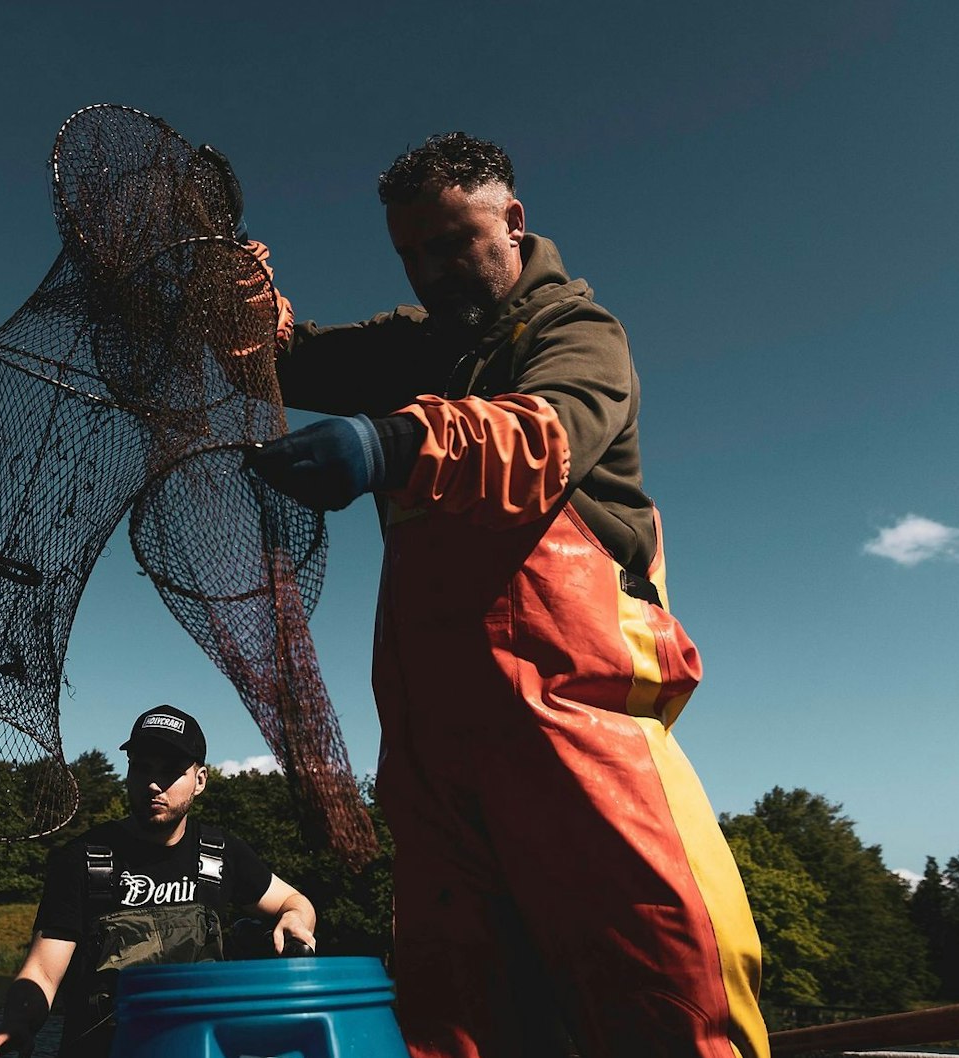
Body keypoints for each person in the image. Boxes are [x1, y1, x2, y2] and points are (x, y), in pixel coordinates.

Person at [242, 133, 770, 1058]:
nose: (431, 271)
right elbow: (291, 362)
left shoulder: (577, 332)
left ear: (514, 222)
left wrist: (387, 444)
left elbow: (541, 437)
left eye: (453, 243)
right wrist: (248, 312)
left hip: (577, 727)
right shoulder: (415, 345)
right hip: (435, 751)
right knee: (456, 1014)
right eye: (411, 253)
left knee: (669, 988)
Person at [0, 704, 318, 1058]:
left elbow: (295, 903)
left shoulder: (221, 853)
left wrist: (295, 918)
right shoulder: (80, 858)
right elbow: (43, 972)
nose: (153, 784)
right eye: (141, 768)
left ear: (200, 781)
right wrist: (19, 1022)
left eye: (170, 771)